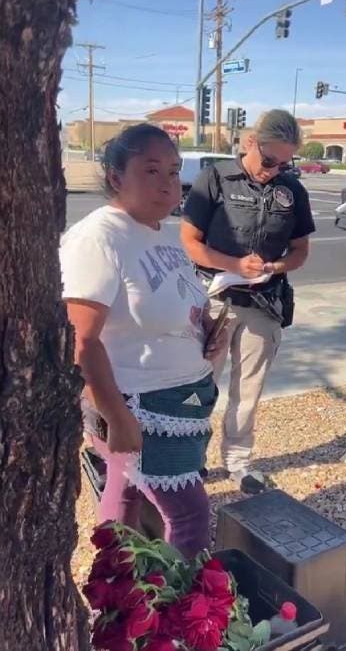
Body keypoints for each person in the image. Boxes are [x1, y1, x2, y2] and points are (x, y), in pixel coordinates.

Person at [62, 124, 229, 559]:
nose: (168, 184)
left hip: (180, 399)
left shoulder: (159, 233)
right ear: (116, 177)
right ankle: (188, 619)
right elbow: (81, 338)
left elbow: (172, 308)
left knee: (126, 496)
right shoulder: (99, 237)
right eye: (151, 171)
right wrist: (116, 414)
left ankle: (117, 597)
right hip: (141, 405)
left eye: (173, 172)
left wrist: (205, 331)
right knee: (189, 514)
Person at [180, 110, 315, 494]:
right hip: (214, 301)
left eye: (283, 164)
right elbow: (190, 242)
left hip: (264, 305)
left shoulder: (292, 192)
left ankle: (239, 463)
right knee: (199, 386)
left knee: (249, 391)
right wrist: (234, 264)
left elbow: (301, 250)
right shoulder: (216, 178)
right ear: (251, 143)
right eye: (268, 160)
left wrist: (277, 266)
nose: (272, 170)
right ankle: (191, 461)